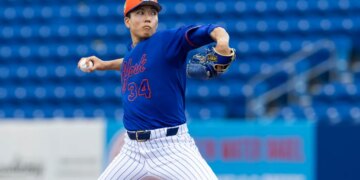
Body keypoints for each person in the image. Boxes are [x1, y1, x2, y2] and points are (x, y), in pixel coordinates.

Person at [78, 0, 235, 179]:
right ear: (127, 21)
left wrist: (222, 41)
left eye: (152, 13)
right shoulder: (132, 53)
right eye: (140, 13)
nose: (148, 18)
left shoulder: (168, 41)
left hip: (171, 148)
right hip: (132, 151)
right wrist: (104, 65)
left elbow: (211, 30)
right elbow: (132, 62)